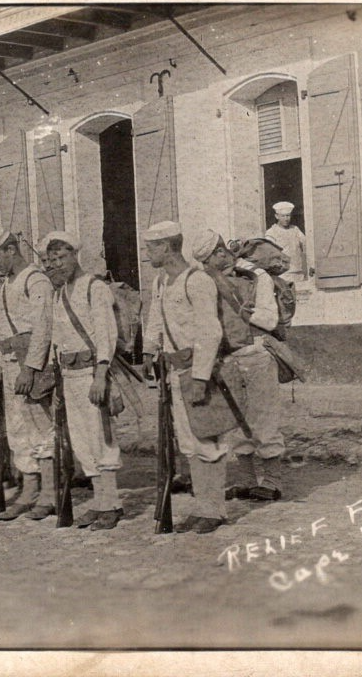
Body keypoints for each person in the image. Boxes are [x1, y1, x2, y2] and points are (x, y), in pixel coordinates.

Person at [142, 221, 228, 534]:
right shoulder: (161, 282)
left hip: (197, 370)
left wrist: (202, 377)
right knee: (189, 441)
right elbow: (154, 321)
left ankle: (214, 509)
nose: (147, 253)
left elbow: (210, 330)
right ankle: (203, 506)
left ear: (166, 246)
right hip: (173, 371)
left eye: (151, 247)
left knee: (207, 436)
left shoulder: (198, 280)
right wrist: (148, 352)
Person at [193, 230, 287, 501]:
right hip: (226, 359)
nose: (206, 268)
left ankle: (272, 481)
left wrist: (240, 308)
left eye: (209, 260)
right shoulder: (206, 281)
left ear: (221, 252)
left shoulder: (257, 276)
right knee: (236, 422)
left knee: (264, 419)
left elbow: (270, 320)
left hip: (255, 356)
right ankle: (247, 480)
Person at [42, 231, 123, 531]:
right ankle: (99, 502)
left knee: (101, 436)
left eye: (62, 257)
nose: (58, 264)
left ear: (75, 255)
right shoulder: (60, 294)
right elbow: (59, 341)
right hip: (69, 374)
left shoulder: (94, 288)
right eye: (52, 260)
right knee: (81, 440)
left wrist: (101, 374)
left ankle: (112, 503)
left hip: (92, 372)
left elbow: (105, 334)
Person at [0, 226, 56, 520]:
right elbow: (1, 329)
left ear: (11, 250)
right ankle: (29, 489)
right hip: (11, 363)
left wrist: (30, 368)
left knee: (40, 426)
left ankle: (49, 491)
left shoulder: (35, 281)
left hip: (30, 364)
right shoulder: (6, 284)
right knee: (18, 428)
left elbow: (43, 328)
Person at [264, 201, 310, 281]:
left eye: (288, 216)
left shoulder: (295, 230)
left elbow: (307, 246)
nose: (286, 219)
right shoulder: (271, 233)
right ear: (277, 216)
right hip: (282, 275)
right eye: (283, 216)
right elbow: (269, 254)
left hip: (298, 273)